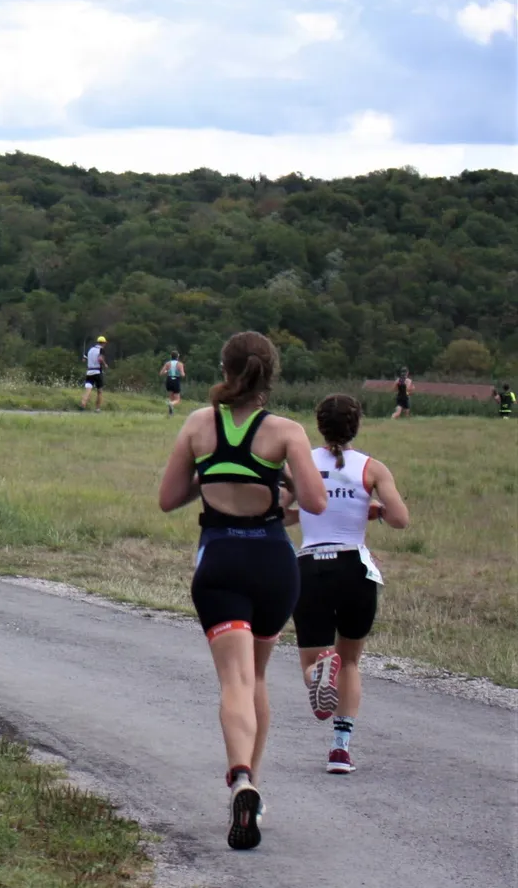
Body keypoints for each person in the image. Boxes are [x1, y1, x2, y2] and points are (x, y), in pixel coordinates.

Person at [157, 332, 327, 850]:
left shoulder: (197, 424)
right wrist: (281, 489)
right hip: (274, 563)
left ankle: (240, 780)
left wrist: (211, 476)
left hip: (220, 561)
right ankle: (253, 780)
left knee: (232, 681)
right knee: (256, 676)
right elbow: (316, 503)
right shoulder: (286, 431)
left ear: (224, 370)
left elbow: (168, 499)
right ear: (270, 375)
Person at [285, 393, 410, 775]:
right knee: (351, 660)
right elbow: (400, 519)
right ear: (357, 425)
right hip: (354, 568)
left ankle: (318, 677)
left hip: (310, 567)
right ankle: (340, 749)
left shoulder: (301, 464)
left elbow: (282, 512)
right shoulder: (372, 468)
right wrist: (370, 509)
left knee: (314, 660)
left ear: (319, 426)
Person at [81, 335, 109, 411]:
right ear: (103, 343)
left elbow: (83, 359)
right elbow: (100, 359)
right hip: (97, 372)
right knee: (99, 391)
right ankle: (97, 409)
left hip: (89, 372)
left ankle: (83, 405)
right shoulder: (101, 350)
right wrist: (105, 364)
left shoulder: (90, 349)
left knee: (88, 389)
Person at [160, 350, 186, 416]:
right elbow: (183, 375)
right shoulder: (180, 364)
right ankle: (171, 405)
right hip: (176, 380)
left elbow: (161, 373)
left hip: (169, 380)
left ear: (171, 356)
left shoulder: (167, 363)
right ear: (177, 357)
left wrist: (167, 371)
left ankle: (170, 413)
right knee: (177, 400)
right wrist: (179, 372)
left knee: (171, 398)